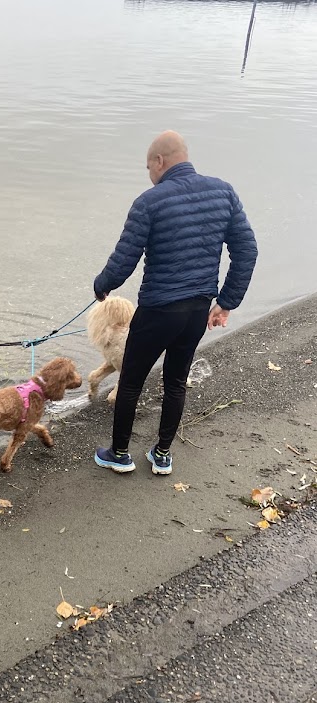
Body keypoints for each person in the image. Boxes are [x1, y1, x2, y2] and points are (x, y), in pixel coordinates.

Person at [92, 130, 258, 475]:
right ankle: (162, 454)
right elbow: (247, 251)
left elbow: (125, 259)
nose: (150, 175)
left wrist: (102, 286)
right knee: (176, 382)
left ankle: (120, 454)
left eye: (148, 168)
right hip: (196, 310)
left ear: (159, 161)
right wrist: (226, 302)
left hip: (157, 310)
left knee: (132, 382)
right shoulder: (223, 192)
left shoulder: (150, 201)